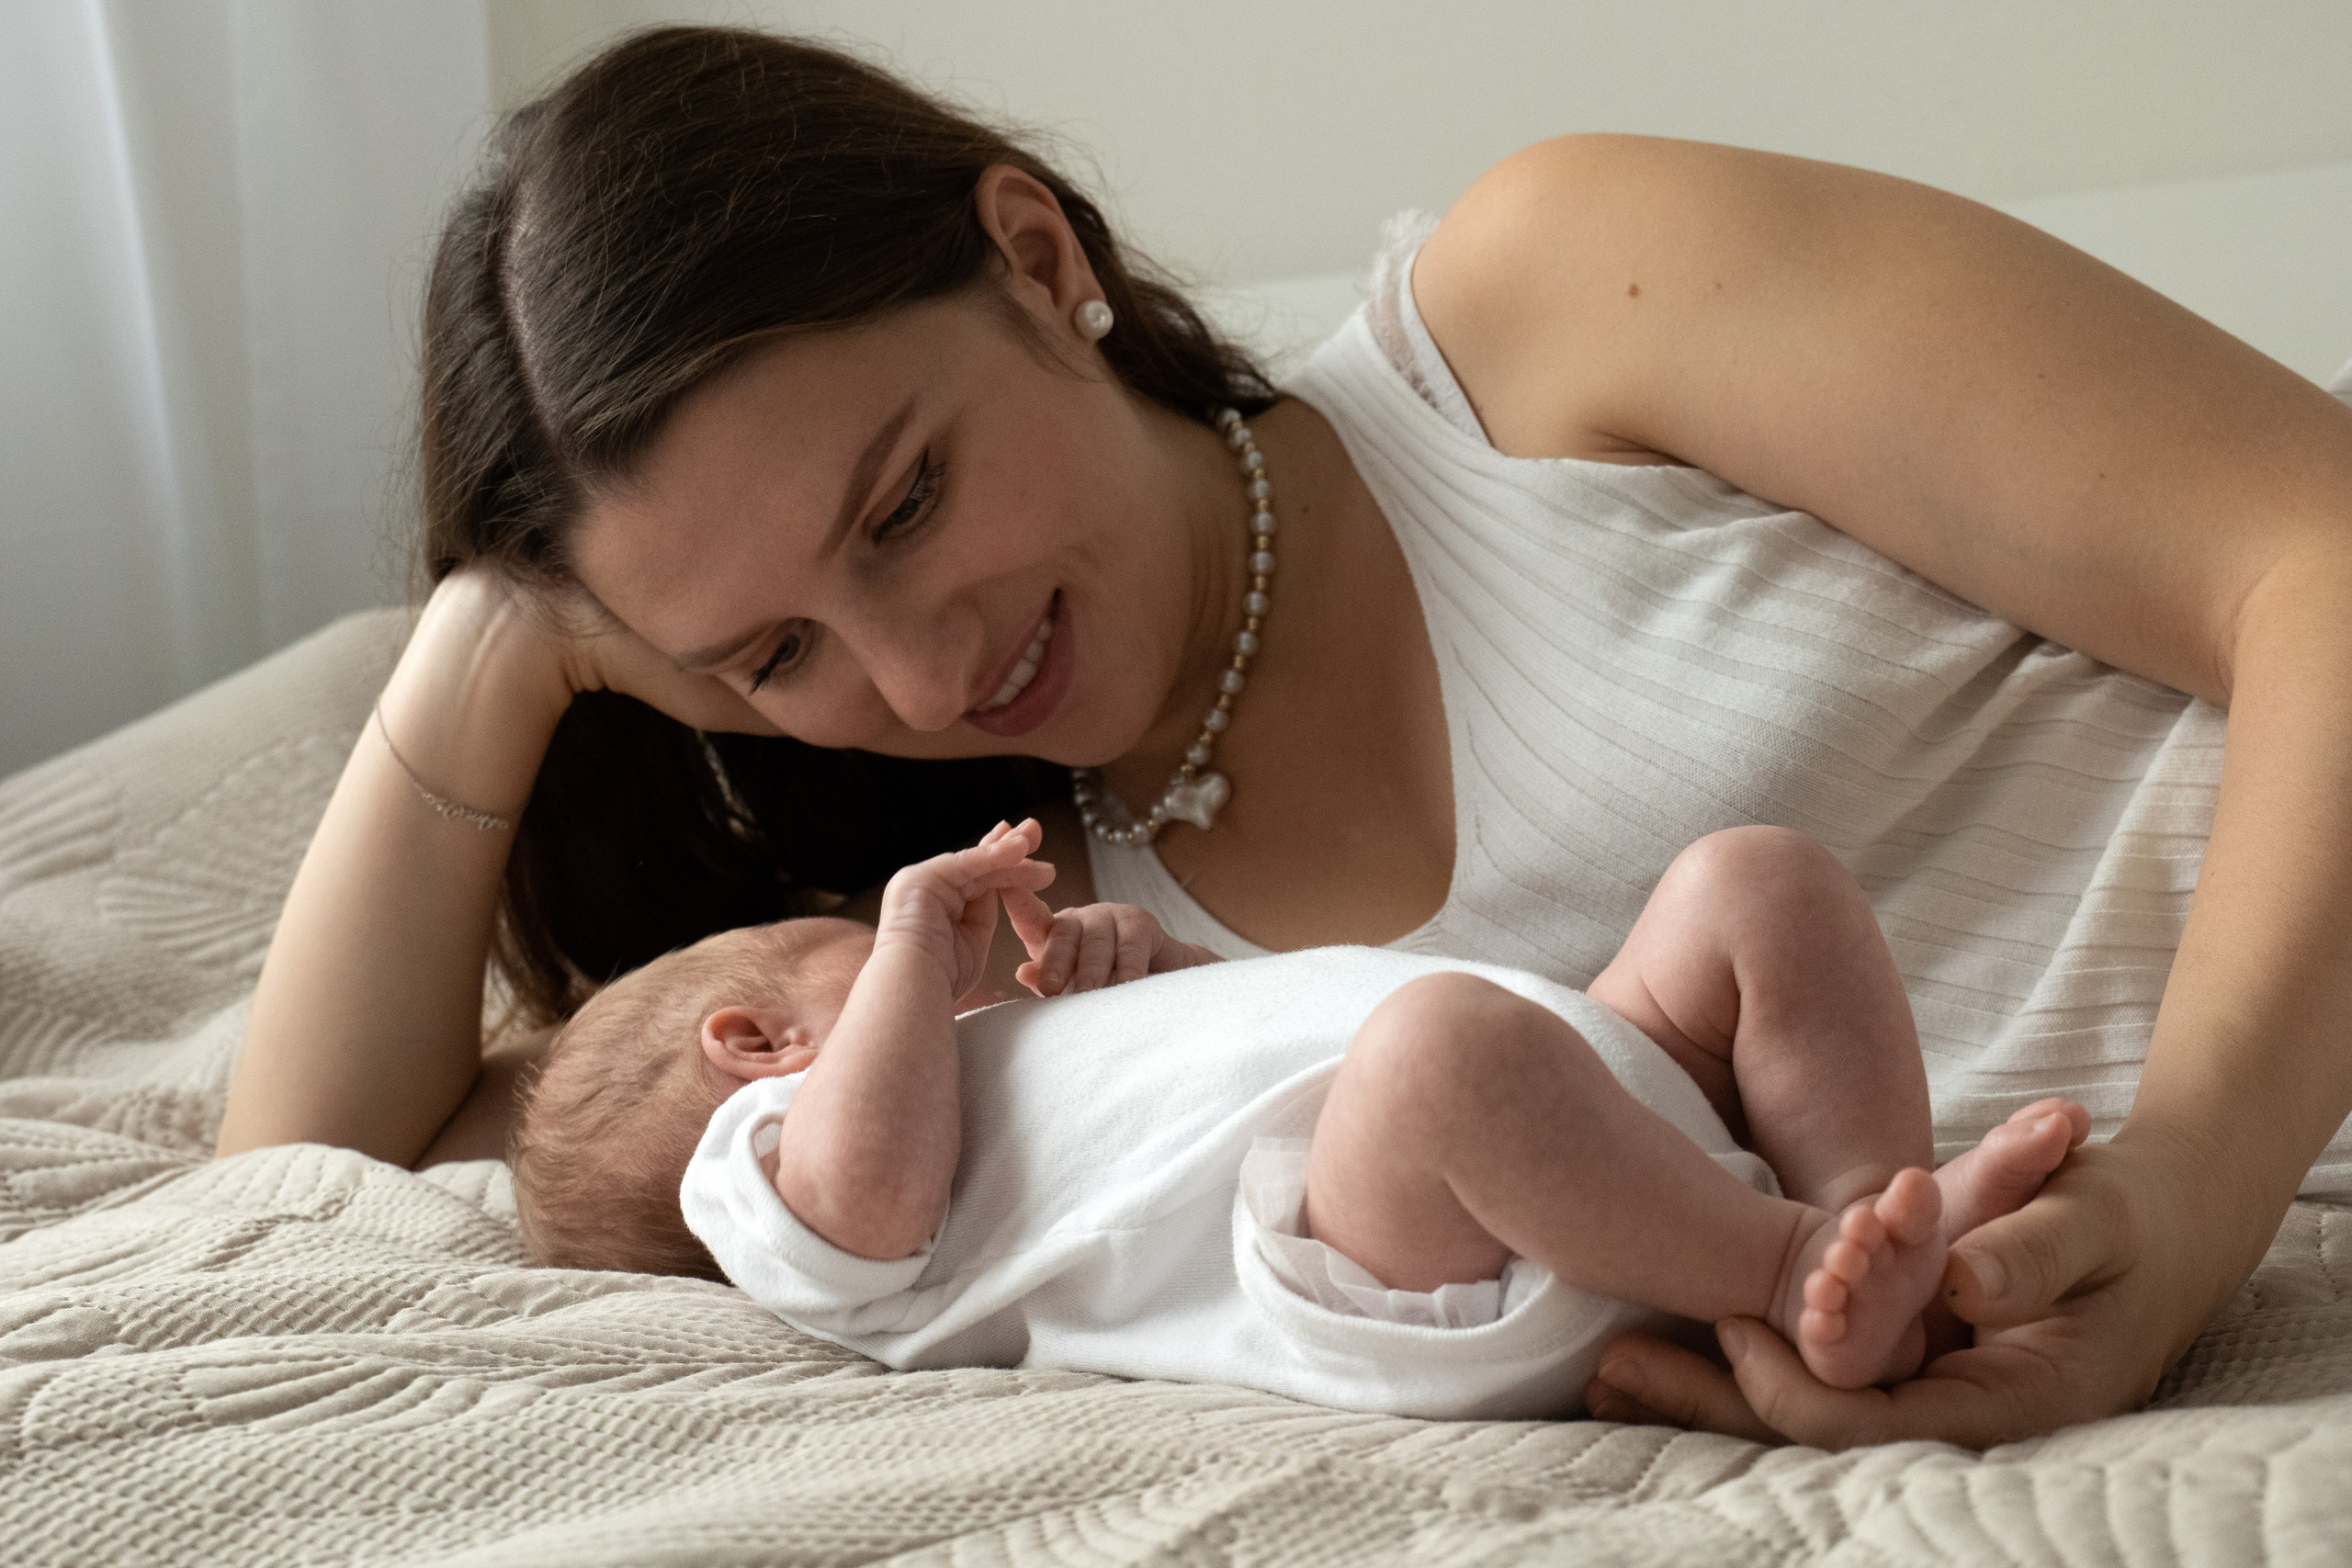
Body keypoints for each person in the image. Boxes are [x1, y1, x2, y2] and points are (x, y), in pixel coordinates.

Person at [217, 24, 2352, 1451]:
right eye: (776, 645)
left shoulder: (1538, 316)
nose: (923, 672)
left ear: (1033, 257)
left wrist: (2183, 1200)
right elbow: (292, 1182)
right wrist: (501, 636)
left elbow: (2317, 553)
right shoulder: (1043, 1007)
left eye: (906, 502)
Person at [517, 818, 2088, 1416]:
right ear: (753, 1042)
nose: (905, 954)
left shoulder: (992, 1058)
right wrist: (917, 935)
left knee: (1755, 879)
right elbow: (866, 1201)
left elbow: (1262, 1047)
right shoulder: (768, 1177)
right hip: (1406, 1252)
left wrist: (1163, 977)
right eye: (844, 950)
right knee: (1435, 1057)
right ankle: (1796, 1261)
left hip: (1596, 1101)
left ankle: (1881, 1218)